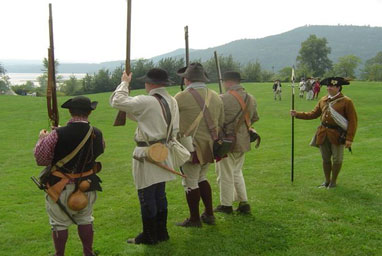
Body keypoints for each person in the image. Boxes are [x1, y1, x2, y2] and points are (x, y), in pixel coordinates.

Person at [110, 68, 179, 245]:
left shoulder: (146, 100)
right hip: (163, 150)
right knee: (159, 194)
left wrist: (124, 82)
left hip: (147, 153)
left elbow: (117, 100)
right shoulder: (171, 101)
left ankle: (149, 236)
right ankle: (161, 232)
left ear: (150, 83)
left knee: (147, 194)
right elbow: (168, 125)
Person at [34, 96, 104, 256]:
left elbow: (41, 159)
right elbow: (100, 150)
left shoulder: (57, 134)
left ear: (71, 112)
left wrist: (42, 140)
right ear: (89, 113)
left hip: (59, 186)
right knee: (85, 219)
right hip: (87, 184)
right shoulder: (97, 133)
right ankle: (88, 253)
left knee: (59, 224)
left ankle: (59, 254)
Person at [174, 62, 224, 227]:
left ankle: (195, 219)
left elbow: (171, 121)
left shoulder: (181, 96)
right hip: (210, 146)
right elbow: (221, 122)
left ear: (187, 79)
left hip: (190, 146)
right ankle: (209, 214)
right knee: (201, 178)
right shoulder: (216, 96)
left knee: (191, 182)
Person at [290, 77, 357, 189]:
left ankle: (333, 182)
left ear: (338, 87)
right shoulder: (323, 100)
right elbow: (313, 114)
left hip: (337, 135)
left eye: (332, 86)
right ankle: (326, 181)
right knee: (325, 159)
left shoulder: (346, 102)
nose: (329, 88)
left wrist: (349, 138)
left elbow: (353, 121)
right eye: (328, 86)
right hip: (323, 133)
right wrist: (297, 114)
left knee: (337, 159)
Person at [214, 71, 259, 214]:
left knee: (226, 173)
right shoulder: (251, 98)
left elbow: (217, 121)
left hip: (226, 142)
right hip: (243, 141)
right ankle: (243, 202)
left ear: (228, 82)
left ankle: (226, 205)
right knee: (236, 172)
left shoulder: (223, 98)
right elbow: (254, 118)